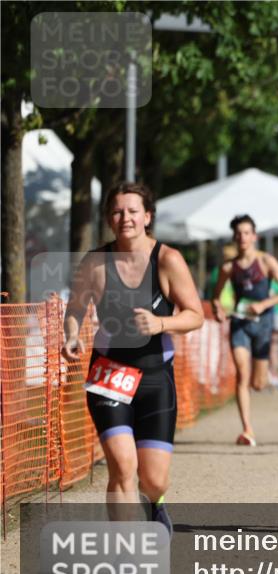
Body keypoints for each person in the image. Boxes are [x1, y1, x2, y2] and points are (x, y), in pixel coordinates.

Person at [62, 182, 205, 536]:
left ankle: (155, 503)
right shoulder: (95, 262)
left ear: (147, 216)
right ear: (109, 219)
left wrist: (161, 323)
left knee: (153, 479)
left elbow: (196, 315)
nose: (124, 217)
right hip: (109, 375)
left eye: (132, 210)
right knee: (122, 468)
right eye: (117, 211)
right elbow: (75, 309)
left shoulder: (168, 260)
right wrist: (69, 335)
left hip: (156, 377)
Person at [211, 215, 278, 447]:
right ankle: (247, 430)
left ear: (254, 236)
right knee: (242, 374)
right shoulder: (228, 267)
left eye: (247, 233)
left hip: (263, 324)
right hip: (239, 323)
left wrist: (264, 304)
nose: (242, 237)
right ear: (234, 237)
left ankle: (262, 381)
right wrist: (218, 310)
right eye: (238, 234)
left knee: (258, 383)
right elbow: (215, 297)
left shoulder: (266, 262)